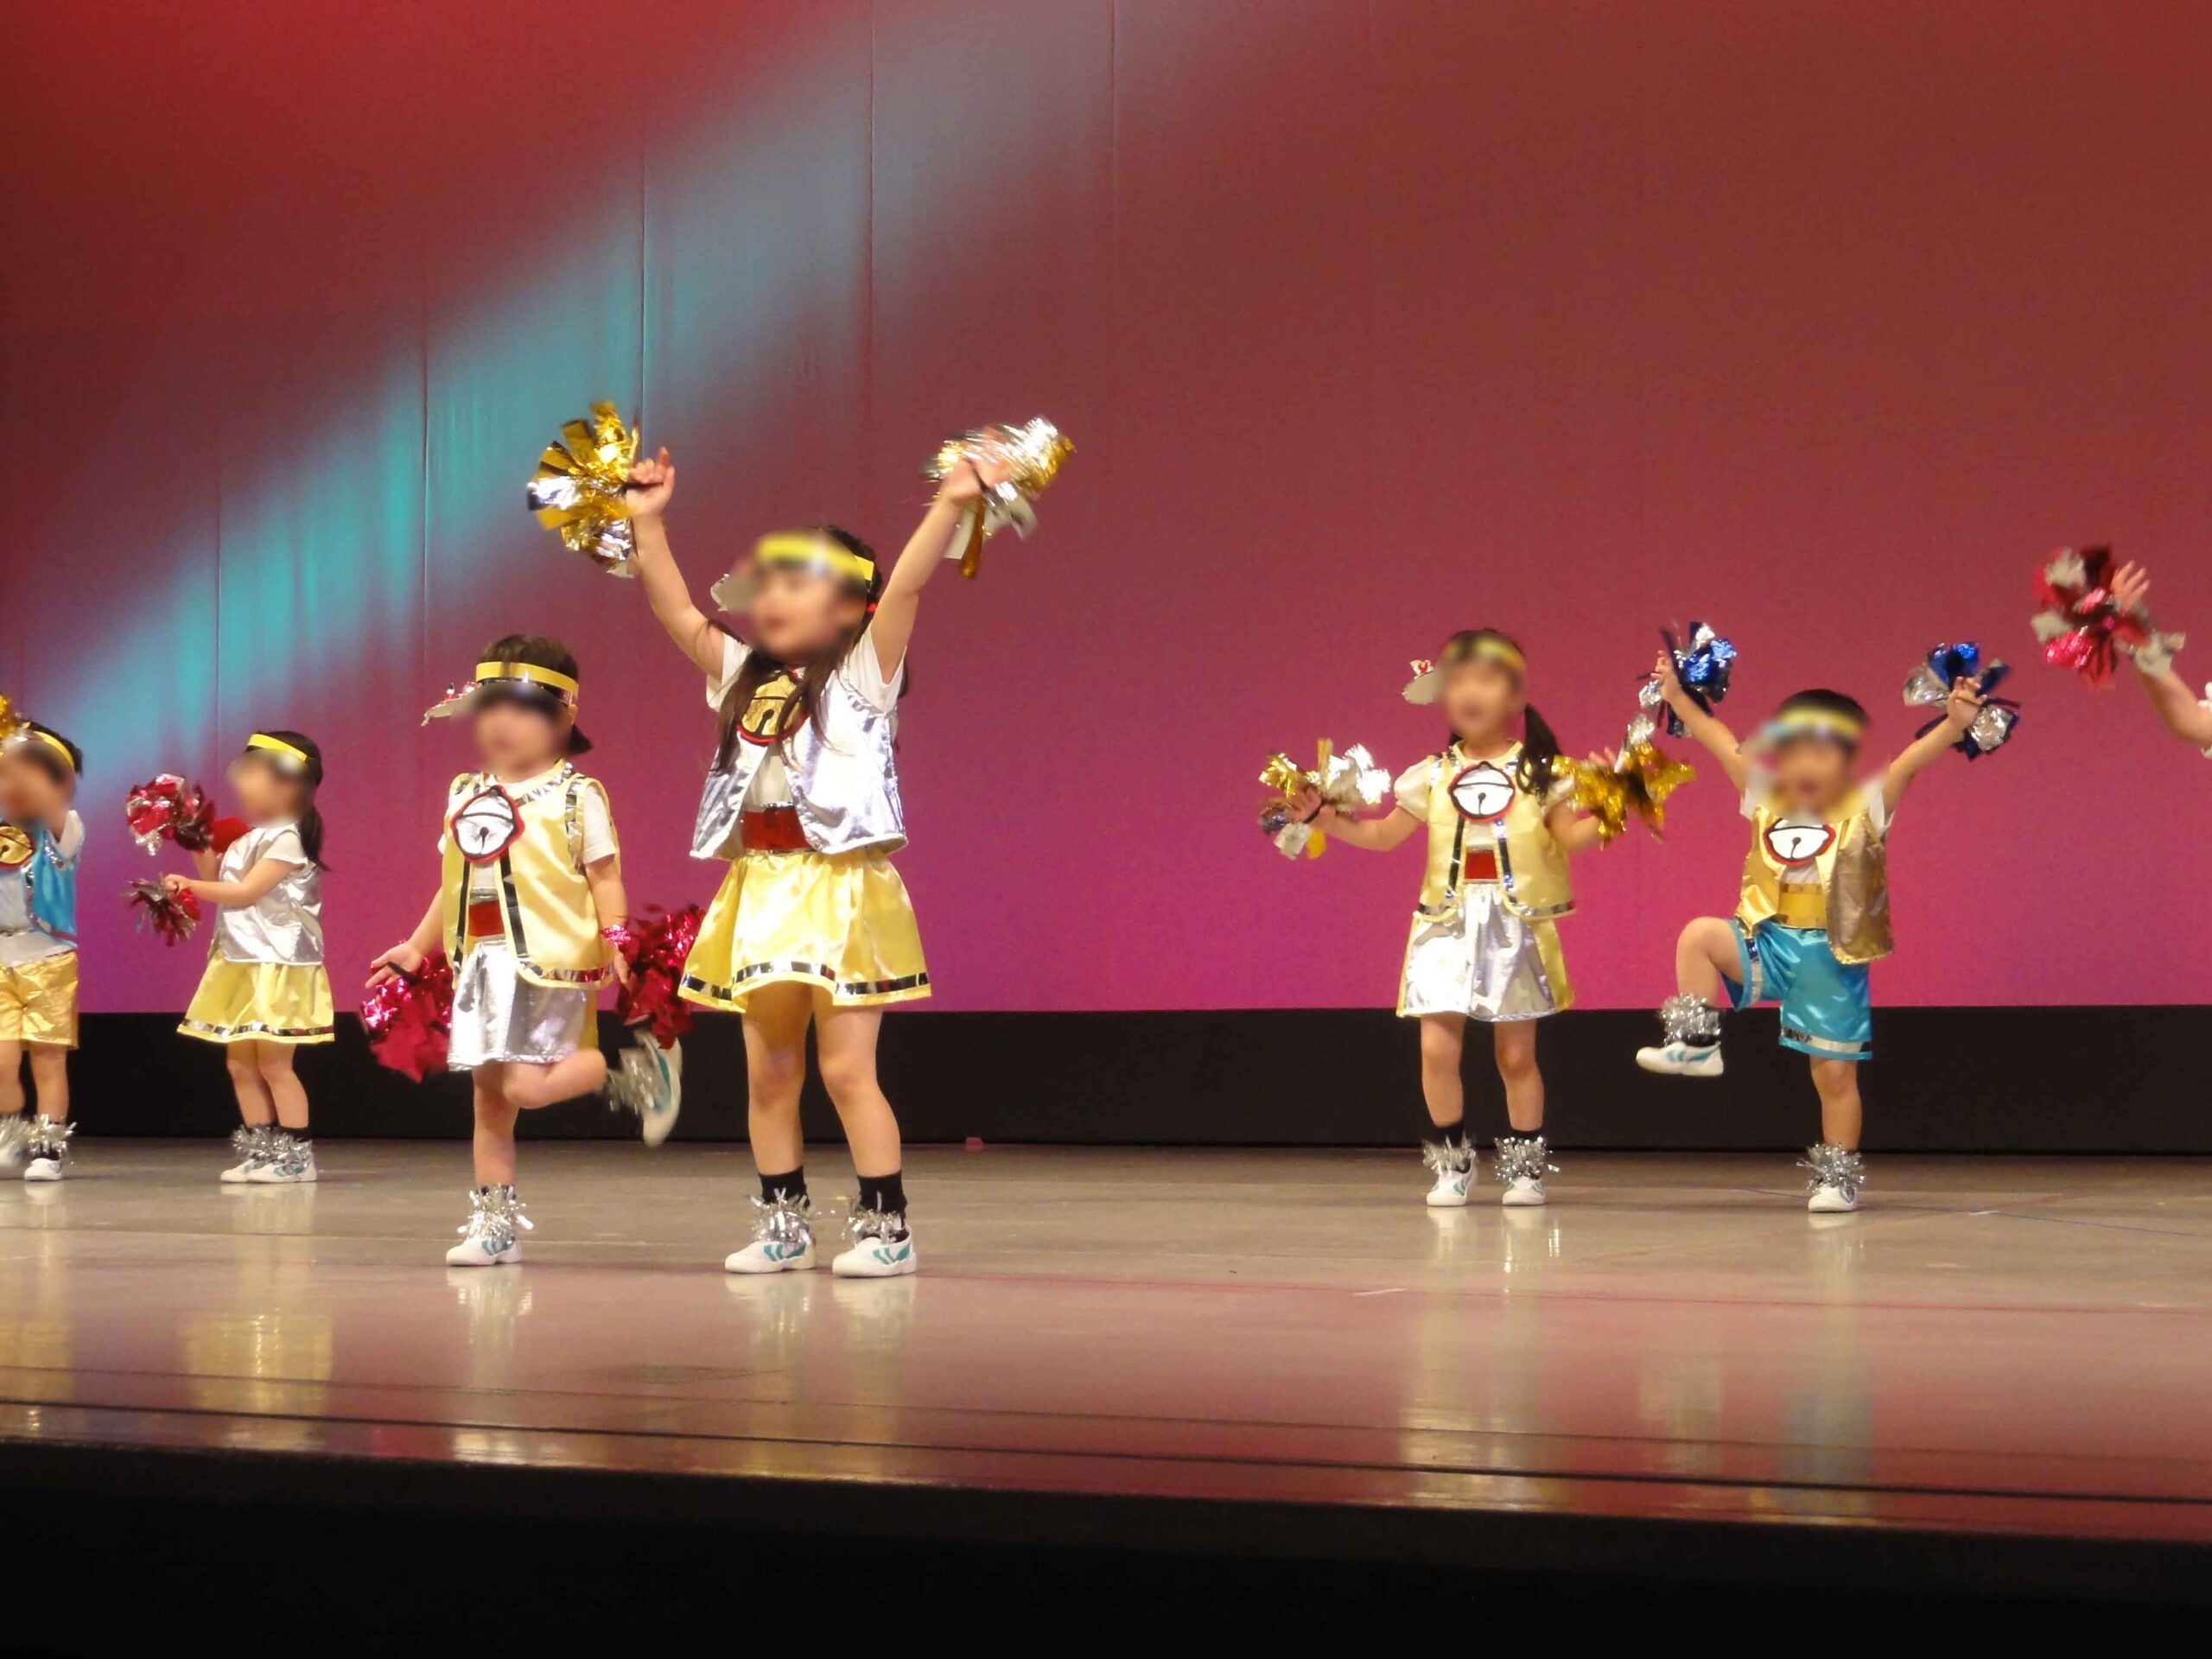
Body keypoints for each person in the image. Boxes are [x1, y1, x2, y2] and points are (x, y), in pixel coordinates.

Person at [620, 442, 1011, 1275]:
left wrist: (950, 504)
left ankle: (886, 1231)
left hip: (840, 888)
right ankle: (782, 1225)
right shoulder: (741, 676)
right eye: (767, 585)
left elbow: (906, 587)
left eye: (798, 584)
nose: (773, 598)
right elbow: (679, 614)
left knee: (844, 1070)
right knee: (769, 1074)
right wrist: (648, 525)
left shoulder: (863, 674)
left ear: (851, 609)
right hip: (761, 888)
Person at [1635, 652, 1988, 1211]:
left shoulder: (1865, 807)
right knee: (1698, 936)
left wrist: (1953, 724)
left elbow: (1907, 766)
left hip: (1831, 957)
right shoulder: (1765, 799)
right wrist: (1678, 698)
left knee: (1833, 1077)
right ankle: (1698, 1046)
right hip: (1768, 942)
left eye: (1821, 752)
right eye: (1794, 749)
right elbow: (1721, 741)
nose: (1804, 764)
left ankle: (1836, 1179)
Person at [369, 637, 677, 1265]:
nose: (502, 722)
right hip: (481, 963)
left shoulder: (576, 795)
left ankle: (639, 1069)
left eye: (522, 707)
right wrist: (417, 947)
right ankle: (494, 1226)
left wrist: (619, 938)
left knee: (526, 1089)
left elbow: (604, 877)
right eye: (491, 706)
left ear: (564, 716)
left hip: (548, 961)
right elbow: (453, 883)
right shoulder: (465, 792)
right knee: (490, 1099)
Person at [1290, 631, 1610, 1207]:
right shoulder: (1431, 775)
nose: (1469, 693)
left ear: (1515, 697)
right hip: (1444, 921)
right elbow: (1384, 835)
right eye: (1458, 682)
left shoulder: (1540, 772)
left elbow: (1571, 838)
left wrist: (1617, 807)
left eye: (1485, 681)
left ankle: (1524, 1170)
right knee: (1436, 1051)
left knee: (1515, 1056)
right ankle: (1452, 1163)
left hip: (1513, 923)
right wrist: (1326, 821)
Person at [167, 731, 334, 1184]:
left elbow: (244, 893)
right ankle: (262, 1152)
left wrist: (191, 886)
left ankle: (297, 1158)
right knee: (240, 1063)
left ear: (289, 784)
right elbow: (216, 877)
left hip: (279, 964)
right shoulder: (247, 839)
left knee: (275, 1064)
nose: (242, 784)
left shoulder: (288, 838)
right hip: (241, 959)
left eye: (252, 774)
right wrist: (195, 841)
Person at [0, 721, 85, 1181]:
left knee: (48, 1061)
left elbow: (50, 801)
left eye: (26, 774)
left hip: (47, 961)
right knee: (2, 1061)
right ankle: (10, 1132)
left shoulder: (61, 828)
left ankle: (48, 1149)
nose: (13, 784)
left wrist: (20, 751)